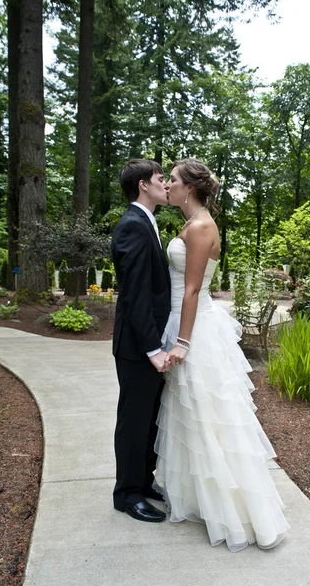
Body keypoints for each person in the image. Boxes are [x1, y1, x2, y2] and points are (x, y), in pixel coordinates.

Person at [154, 158, 290, 551]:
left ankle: (236, 512)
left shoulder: (200, 226)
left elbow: (194, 290)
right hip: (185, 320)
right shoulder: (193, 221)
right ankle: (202, 498)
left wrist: (182, 343)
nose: (169, 186)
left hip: (195, 328)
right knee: (193, 415)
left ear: (190, 188)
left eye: (174, 181)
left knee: (209, 414)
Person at [111, 159, 171, 523]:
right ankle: (127, 494)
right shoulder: (132, 225)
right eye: (162, 179)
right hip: (136, 348)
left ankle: (143, 481)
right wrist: (152, 349)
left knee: (149, 418)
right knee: (134, 421)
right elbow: (135, 295)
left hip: (149, 343)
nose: (167, 185)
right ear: (144, 185)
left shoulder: (147, 223)